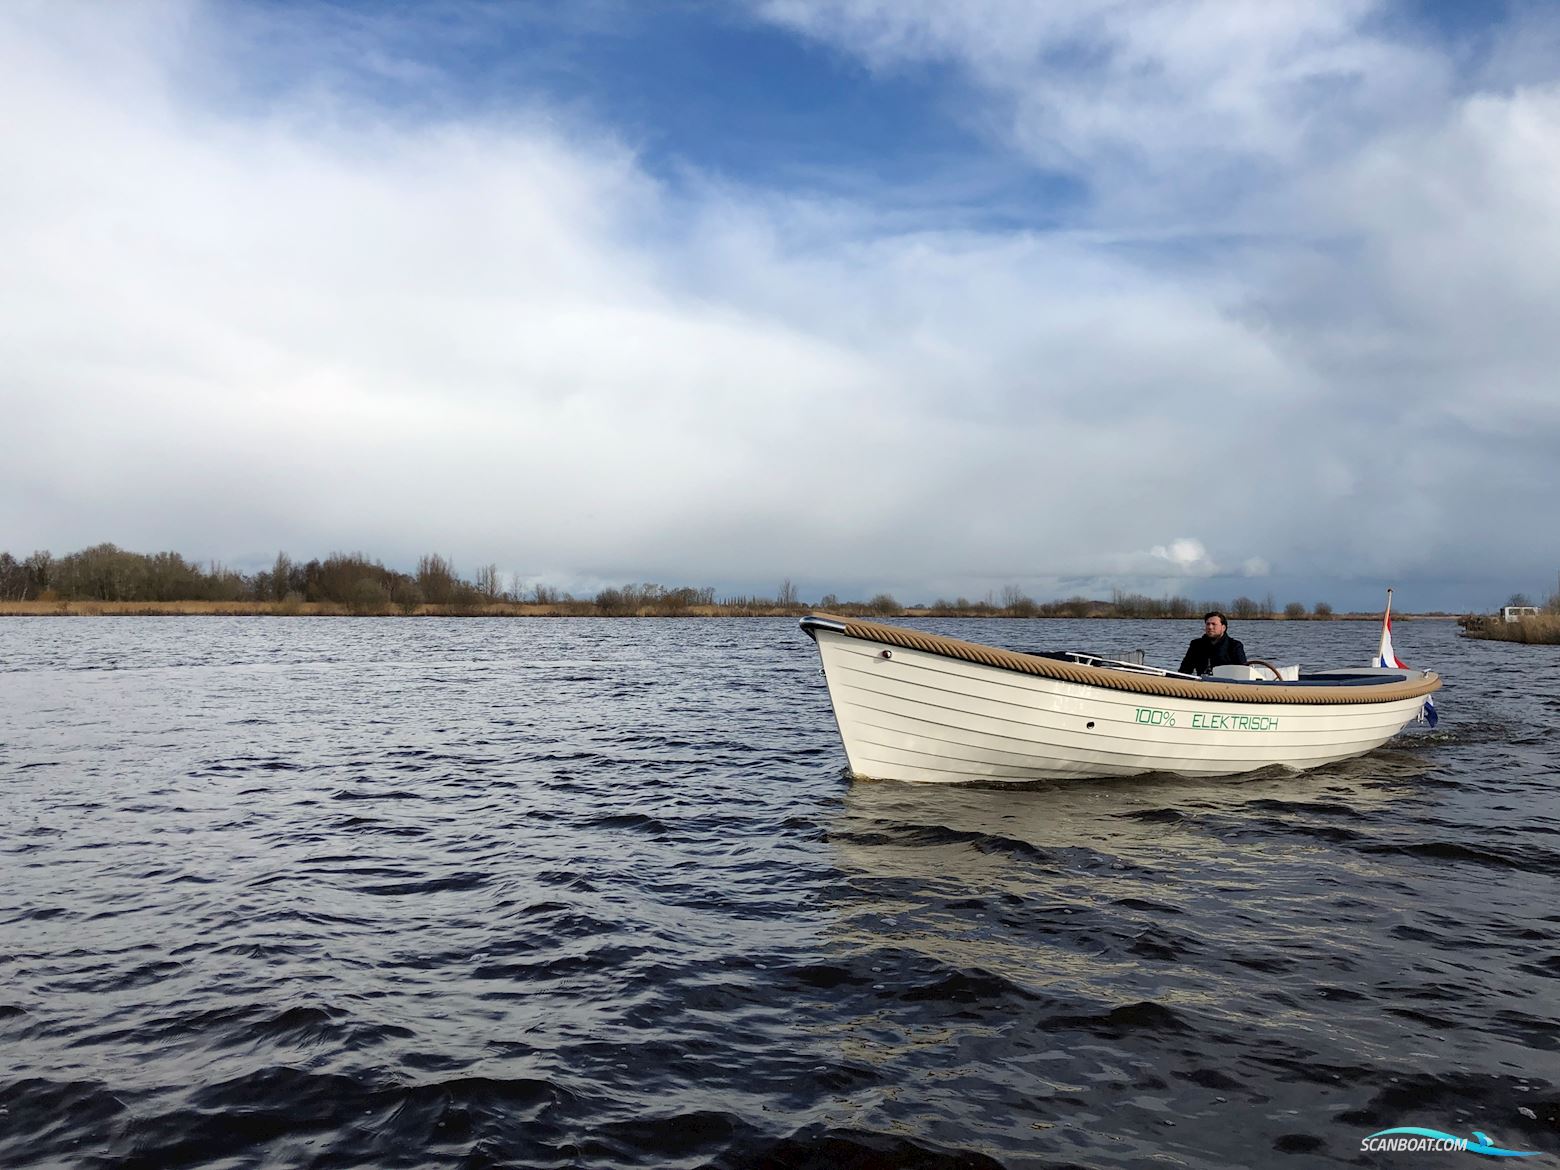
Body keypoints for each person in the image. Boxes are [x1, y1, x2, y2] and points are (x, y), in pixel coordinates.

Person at [1178, 611, 1247, 675]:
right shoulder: (1196, 645)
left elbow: (1243, 672)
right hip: (1201, 684)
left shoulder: (1235, 646)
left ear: (1223, 628)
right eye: (1208, 624)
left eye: (1214, 624)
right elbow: (1184, 670)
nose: (1210, 627)